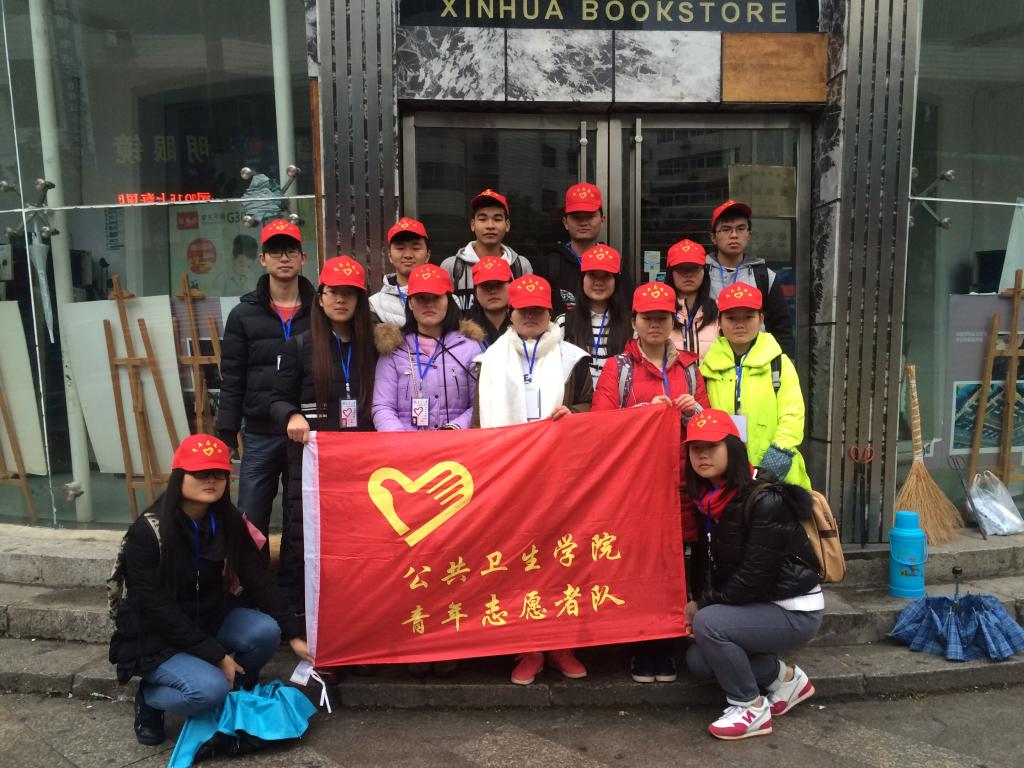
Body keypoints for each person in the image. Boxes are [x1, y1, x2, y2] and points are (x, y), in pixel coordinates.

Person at [109, 434, 311, 747]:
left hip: (208, 618)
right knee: (207, 691)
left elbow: (257, 577)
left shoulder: (227, 520)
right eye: (201, 473)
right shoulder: (147, 533)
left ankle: (236, 692)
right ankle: (150, 699)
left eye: (219, 473)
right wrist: (216, 655)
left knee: (265, 631)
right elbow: (156, 607)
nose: (211, 480)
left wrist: (293, 633)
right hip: (157, 635)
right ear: (180, 475)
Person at [473, 274, 592, 685]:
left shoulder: (573, 359)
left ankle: (561, 645)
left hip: (560, 478)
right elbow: (479, 421)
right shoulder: (489, 360)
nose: (530, 317)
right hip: (508, 479)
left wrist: (574, 414)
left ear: (549, 313)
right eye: (523, 310)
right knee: (518, 564)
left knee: (562, 562)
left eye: (538, 311)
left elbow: (590, 406)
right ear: (511, 312)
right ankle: (527, 648)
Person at [592, 281, 710, 684]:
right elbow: (601, 425)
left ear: (673, 322)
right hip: (637, 488)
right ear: (634, 321)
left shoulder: (689, 369)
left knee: (678, 566)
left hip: (682, 483)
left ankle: (672, 642)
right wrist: (644, 413)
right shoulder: (618, 368)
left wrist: (694, 413)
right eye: (648, 318)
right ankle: (643, 647)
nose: (655, 325)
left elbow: (711, 426)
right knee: (640, 567)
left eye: (663, 318)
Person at [682, 409, 822, 740]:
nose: (702, 455)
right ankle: (785, 680)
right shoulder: (709, 501)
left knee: (709, 624)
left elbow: (754, 577)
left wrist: (703, 606)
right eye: (695, 448)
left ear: (732, 449)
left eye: (712, 446)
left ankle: (749, 706)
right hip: (758, 604)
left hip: (793, 609)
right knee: (699, 660)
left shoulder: (765, 500)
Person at [269, 255, 377, 617]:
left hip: (361, 461)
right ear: (320, 297)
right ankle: (300, 619)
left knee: (358, 536)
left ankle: (354, 613)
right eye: (333, 292)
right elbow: (276, 400)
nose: (341, 300)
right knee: (304, 535)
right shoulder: (299, 345)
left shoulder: (374, 346)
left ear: (360, 300)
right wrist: (292, 415)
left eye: (350, 293)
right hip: (312, 459)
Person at [216, 219, 315, 540]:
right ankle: (247, 573)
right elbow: (232, 379)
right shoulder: (243, 315)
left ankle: (295, 574)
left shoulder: (319, 311)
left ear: (303, 258)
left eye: (291, 251)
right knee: (250, 517)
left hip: (307, 432)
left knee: (303, 519)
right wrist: (226, 435)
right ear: (262, 259)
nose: (283, 258)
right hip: (260, 432)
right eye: (275, 251)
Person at [700, 283, 811, 489]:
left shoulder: (779, 363)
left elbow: (792, 417)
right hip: (726, 476)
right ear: (719, 322)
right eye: (731, 318)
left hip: (778, 479)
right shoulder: (707, 368)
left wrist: (772, 466)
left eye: (748, 317)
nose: (739, 324)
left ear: (761, 319)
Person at [372, 263, 482, 432]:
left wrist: (454, 429)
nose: (429, 304)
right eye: (421, 297)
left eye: (436, 297)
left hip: (457, 443)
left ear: (449, 301)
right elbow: (382, 406)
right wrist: (400, 438)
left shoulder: (469, 348)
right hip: (406, 445)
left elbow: (479, 403)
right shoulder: (393, 349)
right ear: (410, 303)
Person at [705, 199, 794, 356]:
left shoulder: (764, 276)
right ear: (713, 237)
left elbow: (781, 327)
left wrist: (783, 363)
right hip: (710, 361)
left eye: (741, 229)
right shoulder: (701, 274)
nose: (734, 235)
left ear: (749, 235)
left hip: (757, 362)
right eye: (726, 229)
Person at [440, 188, 532, 311]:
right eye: (482, 219)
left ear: (507, 225)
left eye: (497, 219)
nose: (490, 226)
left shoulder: (520, 266)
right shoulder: (451, 267)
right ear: (473, 225)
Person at [556, 244, 632, 387]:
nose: (598, 282)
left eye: (606, 276)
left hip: (616, 399)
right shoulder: (564, 322)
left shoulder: (631, 324)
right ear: (582, 279)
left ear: (616, 281)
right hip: (577, 400)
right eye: (592, 275)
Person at [535, 183, 607, 315]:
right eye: (576, 217)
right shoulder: (549, 265)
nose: (583, 222)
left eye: (590, 216)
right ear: (565, 222)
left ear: (602, 220)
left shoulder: (614, 265)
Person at [369, 217, 431, 325]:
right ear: (390, 256)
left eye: (416, 248)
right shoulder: (375, 304)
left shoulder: (446, 300)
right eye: (400, 248)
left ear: (427, 255)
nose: (408, 255)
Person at [665, 239, 719, 361]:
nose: (688, 274)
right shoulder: (658, 312)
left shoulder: (720, 310)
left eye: (695, 268)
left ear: (704, 272)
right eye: (681, 268)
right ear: (670, 273)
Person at [463, 256, 513, 348]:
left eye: (499, 284)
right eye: (485, 285)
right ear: (475, 292)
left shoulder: (526, 327)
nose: (493, 291)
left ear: (511, 286)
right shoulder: (463, 333)